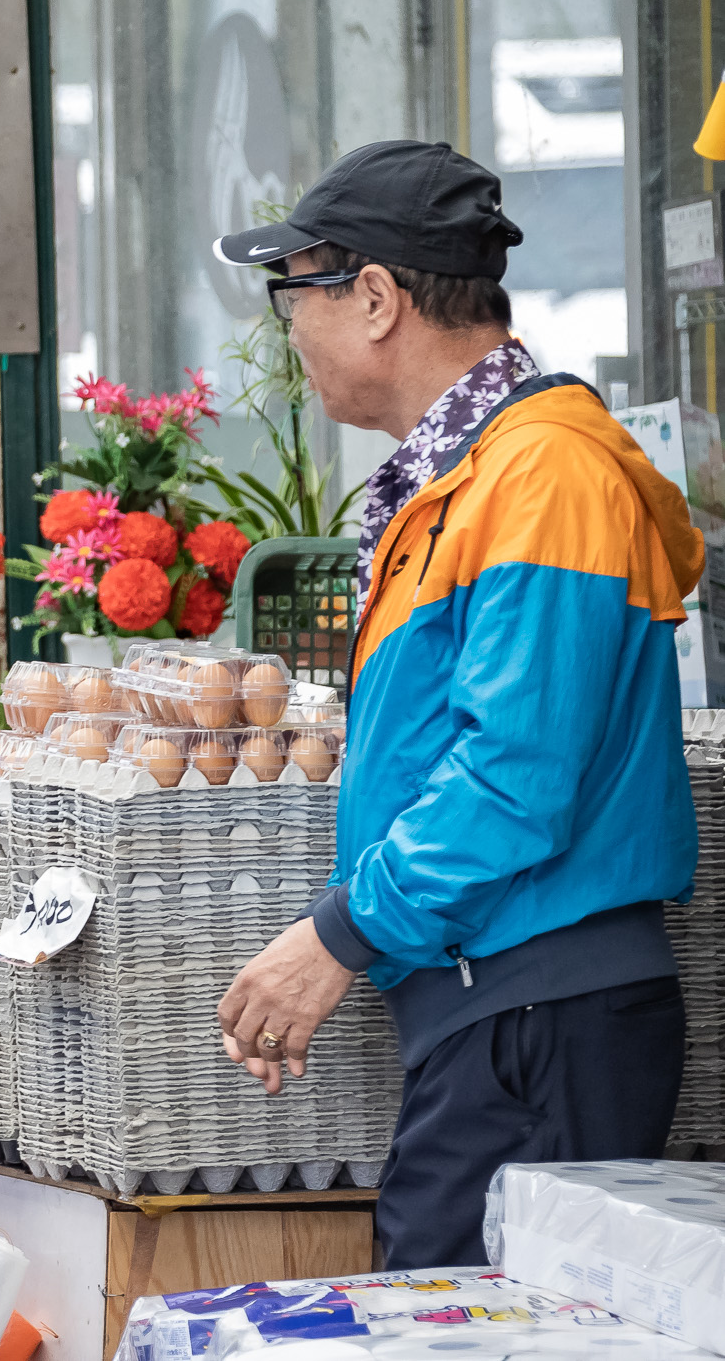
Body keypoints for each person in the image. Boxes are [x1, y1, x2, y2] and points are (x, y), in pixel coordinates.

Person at [209, 140, 701, 1269]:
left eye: (296, 292)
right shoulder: (479, 471)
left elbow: (512, 778)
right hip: (503, 1008)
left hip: (537, 1014)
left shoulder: (542, 477)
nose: (288, 329)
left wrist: (335, 937)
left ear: (374, 297)